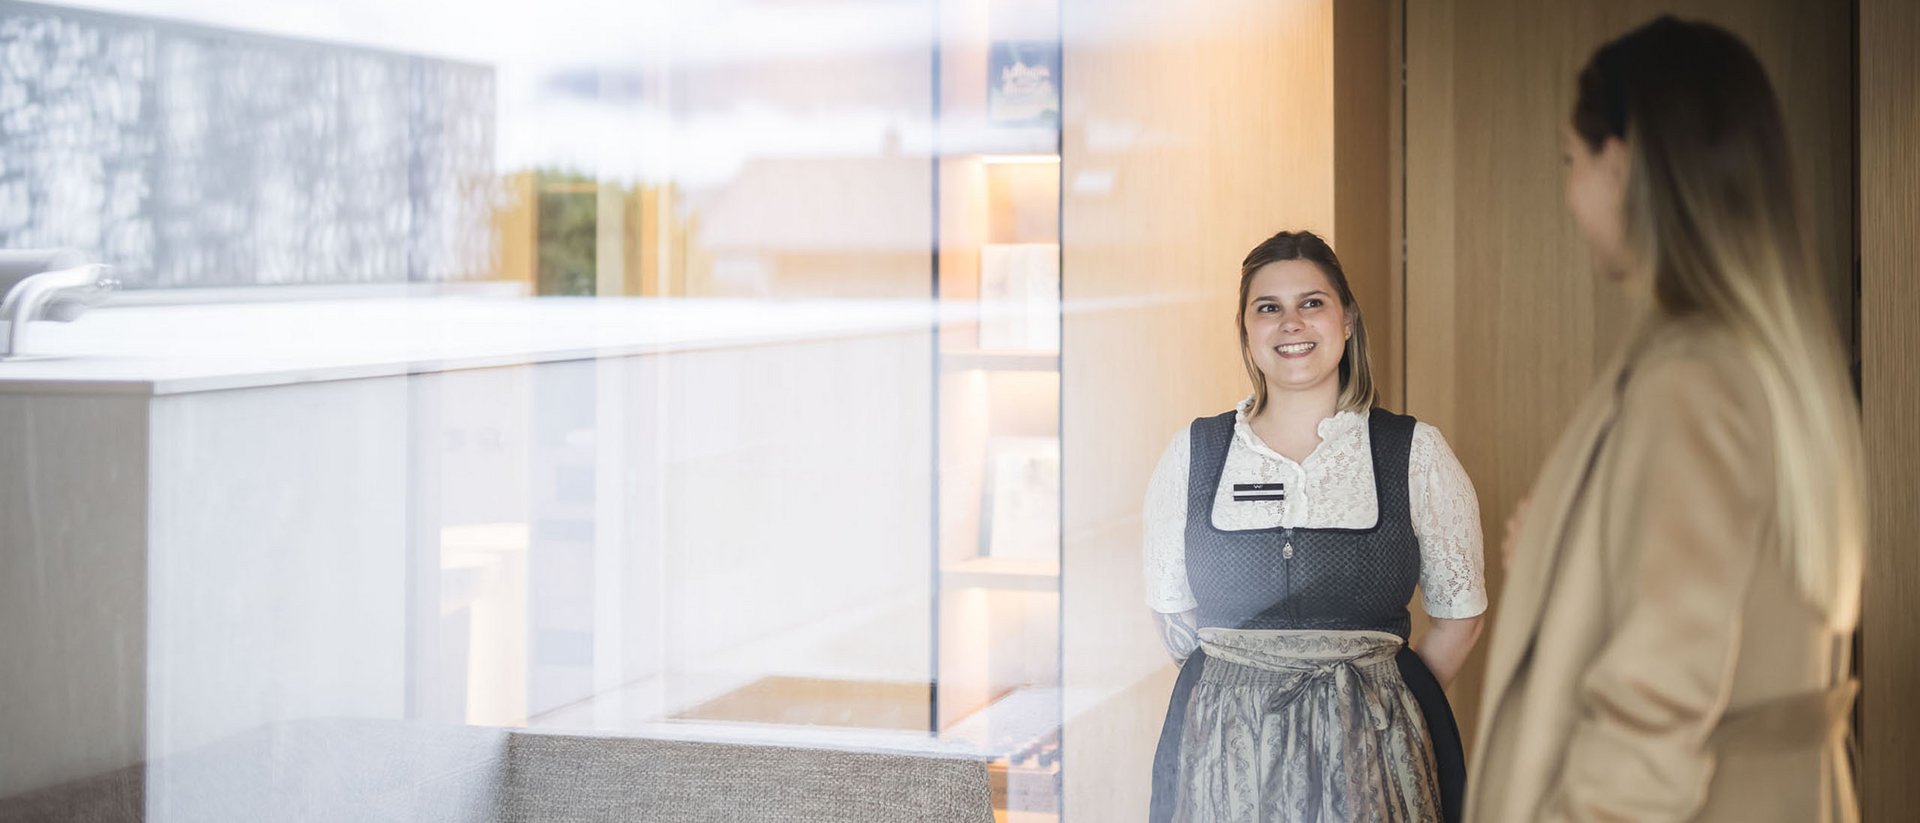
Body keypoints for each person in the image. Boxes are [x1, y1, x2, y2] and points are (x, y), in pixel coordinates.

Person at [1468, 16, 1865, 823]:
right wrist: (1560, 549)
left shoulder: (1690, 381)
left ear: (1622, 164)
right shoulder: (1771, 360)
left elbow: (1653, 714)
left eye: (1570, 162)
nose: (1569, 192)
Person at [1145, 230, 1487, 822]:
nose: (1291, 324)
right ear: (1247, 331)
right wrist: (1244, 689)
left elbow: (1461, 615)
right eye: (1268, 308)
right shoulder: (1194, 453)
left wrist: (1382, 702)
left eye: (1312, 303)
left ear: (1347, 320)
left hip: (1372, 758)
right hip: (1230, 755)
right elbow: (1173, 616)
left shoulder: (1413, 451)